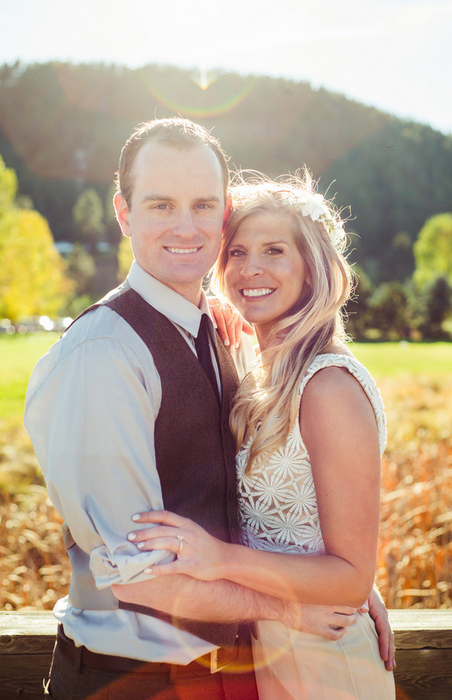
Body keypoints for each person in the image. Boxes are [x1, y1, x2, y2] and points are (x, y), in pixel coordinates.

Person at [24, 119, 393, 700]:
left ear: (221, 214)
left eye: (203, 206)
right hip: (129, 681)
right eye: (161, 205)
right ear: (123, 213)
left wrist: (337, 577)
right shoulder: (104, 355)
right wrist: (297, 605)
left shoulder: (219, 335)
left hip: (239, 674)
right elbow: (139, 575)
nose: (185, 227)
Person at [126, 173, 396, 699]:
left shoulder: (328, 388)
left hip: (327, 660)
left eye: (275, 251)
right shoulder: (265, 371)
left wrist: (219, 559)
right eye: (237, 253)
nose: (251, 268)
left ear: (313, 268)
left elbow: (350, 577)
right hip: (271, 645)